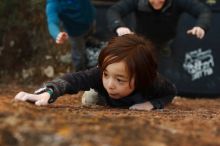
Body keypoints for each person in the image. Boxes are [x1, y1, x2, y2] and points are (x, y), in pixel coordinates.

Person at [14, 34, 176, 111]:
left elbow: (170, 92)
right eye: (106, 75)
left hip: (139, 99)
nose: (110, 85)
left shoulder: (152, 82)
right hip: (102, 99)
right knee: (90, 97)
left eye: (120, 80)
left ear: (141, 78)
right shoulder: (99, 76)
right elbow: (73, 80)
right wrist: (49, 91)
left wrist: (151, 104)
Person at [107, 0, 212, 49]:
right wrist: (119, 26)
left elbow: (203, 10)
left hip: (168, 43)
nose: (157, 2)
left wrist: (201, 26)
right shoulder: (137, 1)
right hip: (141, 44)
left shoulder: (177, 2)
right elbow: (114, 10)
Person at [46, 0, 96, 71]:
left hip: (90, 20)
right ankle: (80, 74)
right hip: (75, 32)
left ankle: (88, 43)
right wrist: (56, 34)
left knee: (89, 36)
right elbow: (52, 21)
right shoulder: (54, 3)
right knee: (79, 56)